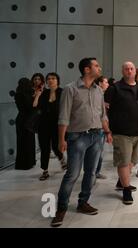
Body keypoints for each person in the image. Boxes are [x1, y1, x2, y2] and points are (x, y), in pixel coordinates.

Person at [51, 58, 112, 227]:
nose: (99, 68)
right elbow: (63, 116)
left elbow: (102, 115)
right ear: (86, 69)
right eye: (96, 65)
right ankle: (61, 208)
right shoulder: (71, 89)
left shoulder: (99, 90)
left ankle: (83, 202)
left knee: (91, 173)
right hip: (77, 137)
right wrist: (61, 139)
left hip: (96, 136)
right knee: (72, 174)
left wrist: (107, 131)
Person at [104, 62, 138, 205]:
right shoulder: (114, 89)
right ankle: (126, 190)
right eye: (126, 69)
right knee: (123, 162)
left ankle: (122, 181)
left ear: (135, 71)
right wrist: (107, 130)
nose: (129, 71)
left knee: (134, 160)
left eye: (131, 69)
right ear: (122, 71)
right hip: (122, 132)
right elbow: (104, 110)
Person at [37, 72, 66, 181]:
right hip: (43, 124)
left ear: (57, 80)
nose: (50, 80)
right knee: (44, 148)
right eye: (48, 78)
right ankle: (45, 171)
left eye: (53, 78)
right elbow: (36, 106)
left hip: (57, 124)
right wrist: (38, 94)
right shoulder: (44, 93)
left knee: (55, 145)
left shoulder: (62, 92)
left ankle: (62, 159)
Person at [14, 78, 36, 170]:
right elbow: (31, 107)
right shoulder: (26, 95)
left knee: (21, 142)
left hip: (20, 119)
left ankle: (22, 163)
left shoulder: (18, 94)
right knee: (29, 142)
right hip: (28, 120)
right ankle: (28, 163)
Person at [94, 76, 110, 180]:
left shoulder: (104, 94)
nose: (107, 84)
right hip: (98, 126)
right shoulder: (97, 94)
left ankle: (96, 172)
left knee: (99, 151)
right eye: (105, 82)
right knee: (97, 152)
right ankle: (94, 173)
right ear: (100, 83)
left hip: (103, 126)